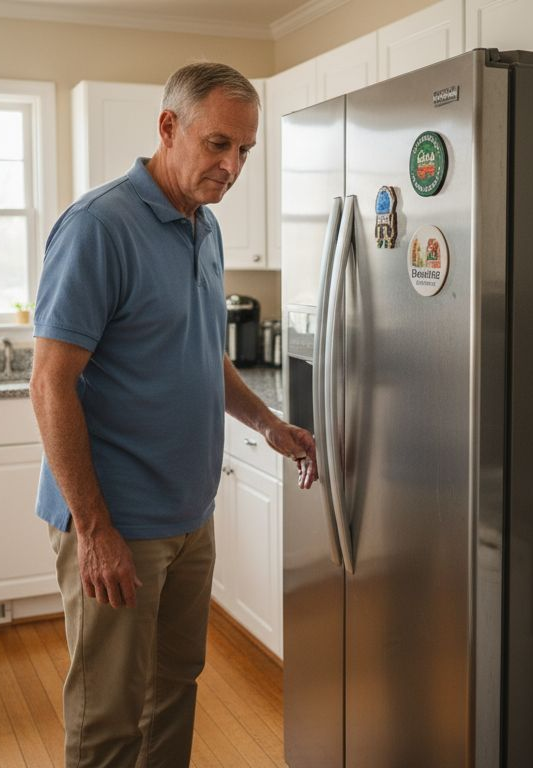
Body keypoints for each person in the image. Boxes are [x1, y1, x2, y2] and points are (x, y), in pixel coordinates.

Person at [29, 61, 317, 768]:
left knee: (174, 687)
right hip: (118, 523)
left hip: (191, 516)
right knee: (109, 718)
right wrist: (95, 532)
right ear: (168, 127)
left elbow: (202, 352)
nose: (232, 165)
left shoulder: (204, 227)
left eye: (245, 150)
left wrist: (267, 423)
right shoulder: (100, 227)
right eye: (219, 143)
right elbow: (49, 385)